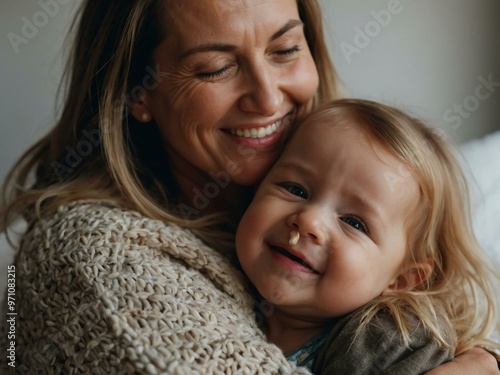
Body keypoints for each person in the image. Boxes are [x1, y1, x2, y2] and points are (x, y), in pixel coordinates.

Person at [0, 0, 498, 373]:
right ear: (138, 91)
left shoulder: (384, 319)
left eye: (284, 49)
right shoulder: (98, 253)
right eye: (216, 67)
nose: (267, 97)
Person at [235, 99, 500, 374]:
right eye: (296, 189)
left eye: (354, 223)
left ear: (403, 279)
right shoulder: (210, 273)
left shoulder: (389, 345)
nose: (309, 220)